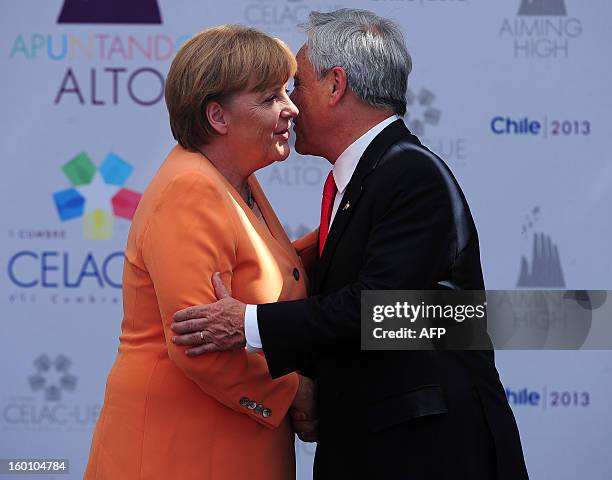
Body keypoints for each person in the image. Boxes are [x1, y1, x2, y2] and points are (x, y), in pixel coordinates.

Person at [171, 9, 530, 480]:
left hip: (426, 454)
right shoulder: (372, 176)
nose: (291, 106)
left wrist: (249, 322)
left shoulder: (410, 174)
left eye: (295, 85)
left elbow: (379, 312)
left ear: (336, 85)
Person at [84, 25, 315, 480]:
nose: (291, 109)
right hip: (178, 456)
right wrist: (299, 393)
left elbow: (275, 269)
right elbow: (200, 346)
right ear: (218, 117)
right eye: (270, 98)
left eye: (286, 92)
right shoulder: (191, 189)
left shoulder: (235, 178)